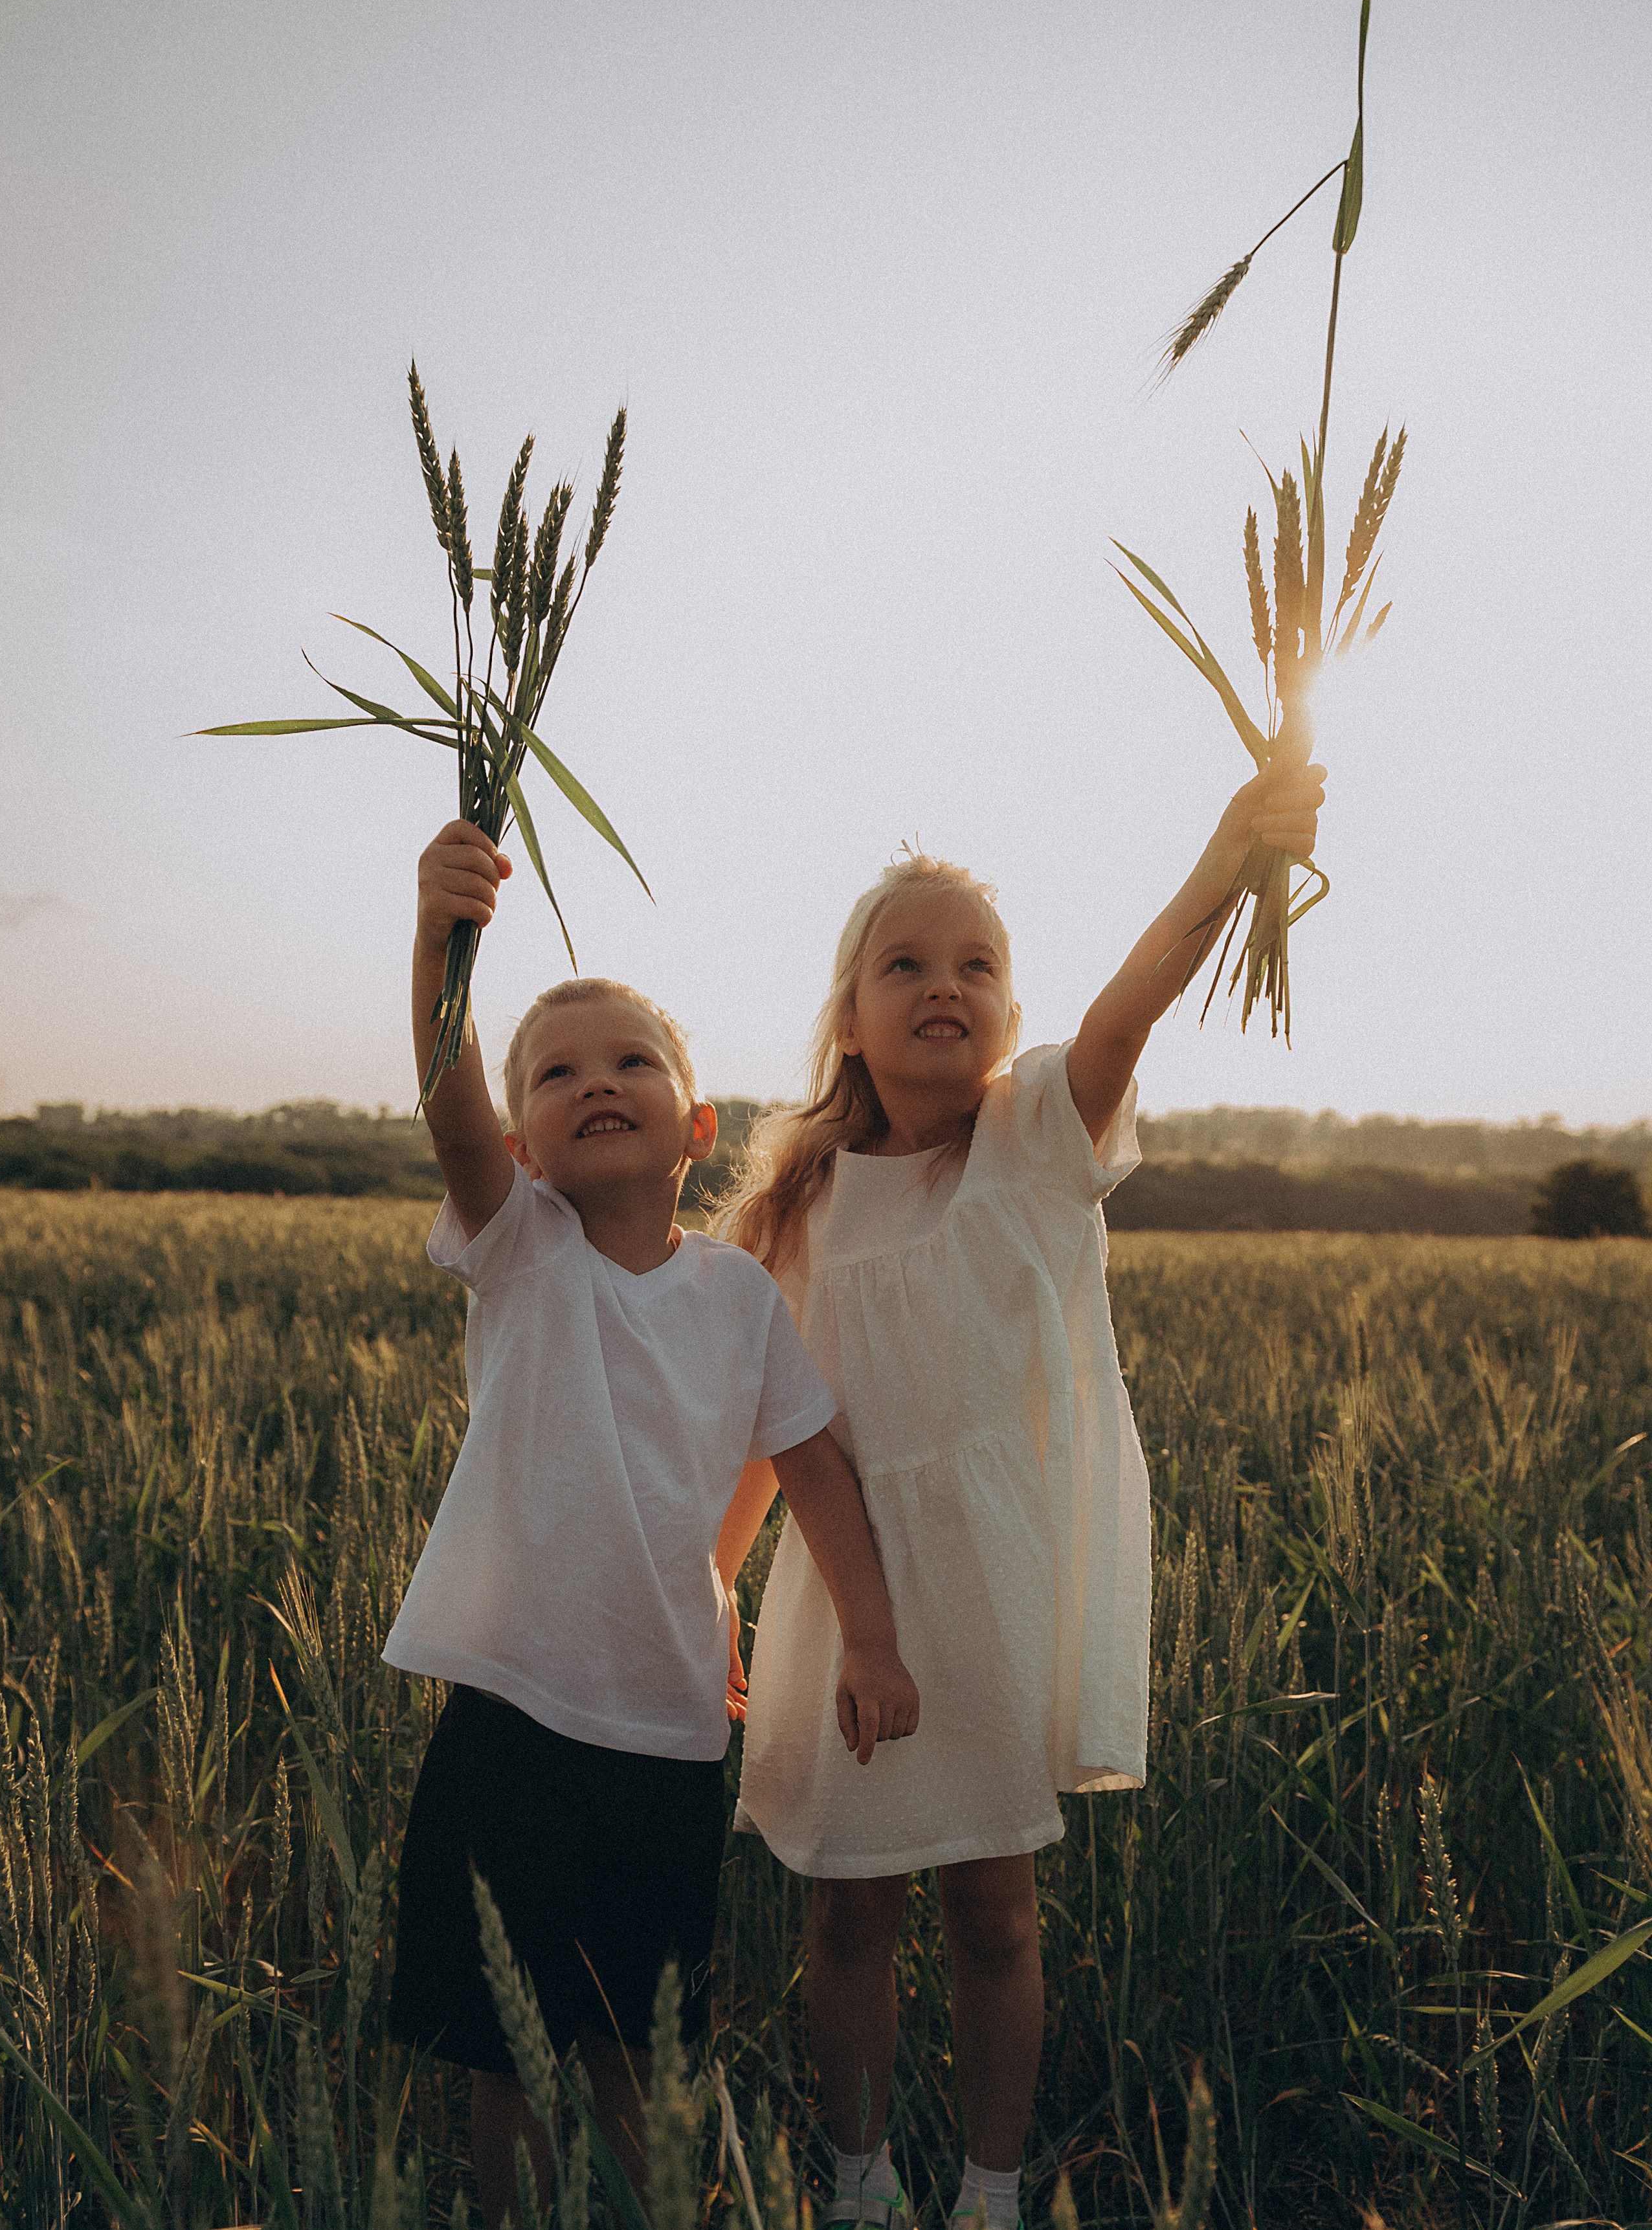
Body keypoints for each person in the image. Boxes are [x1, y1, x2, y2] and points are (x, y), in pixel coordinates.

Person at [712, 764, 1326, 2230]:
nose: (945, 985)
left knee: (993, 1910)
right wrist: (706, 1592)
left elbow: (1127, 1004)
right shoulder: (790, 1209)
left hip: (989, 1583)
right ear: (846, 1016)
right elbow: (765, 1431)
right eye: (904, 963)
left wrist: (1228, 858)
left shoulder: (1032, 1144)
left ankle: (989, 2191)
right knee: (847, 1904)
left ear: (1006, 1008)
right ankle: (860, 2181)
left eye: (976, 963)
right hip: (841, 1594)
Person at [383, 820, 921, 2230]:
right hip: (512, 1715)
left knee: (645, 2035)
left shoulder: (739, 1298)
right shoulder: (522, 1249)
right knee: (504, 2044)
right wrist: (444, 947)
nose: (593, 1081)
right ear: (520, 1148)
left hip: (673, 1731)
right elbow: (445, 1106)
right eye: (556, 1072)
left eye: (630, 1060)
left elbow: (811, 1465)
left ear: (695, 1126)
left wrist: (867, 1634)